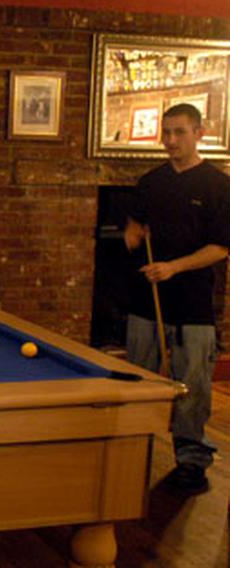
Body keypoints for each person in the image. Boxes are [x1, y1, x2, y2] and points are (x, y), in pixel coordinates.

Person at [123, 103, 230, 493]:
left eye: (179, 132)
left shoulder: (218, 185)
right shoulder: (151, 181)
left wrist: (174, 267)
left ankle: (191, 461)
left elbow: (221, 248)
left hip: (194, 303)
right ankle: (133, 448)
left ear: (199, 133)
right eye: (165, 133)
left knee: (193, 385)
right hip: (146, 299)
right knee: (140, 378)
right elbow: (135, 224)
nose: (169, 141)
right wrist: (133, 235)